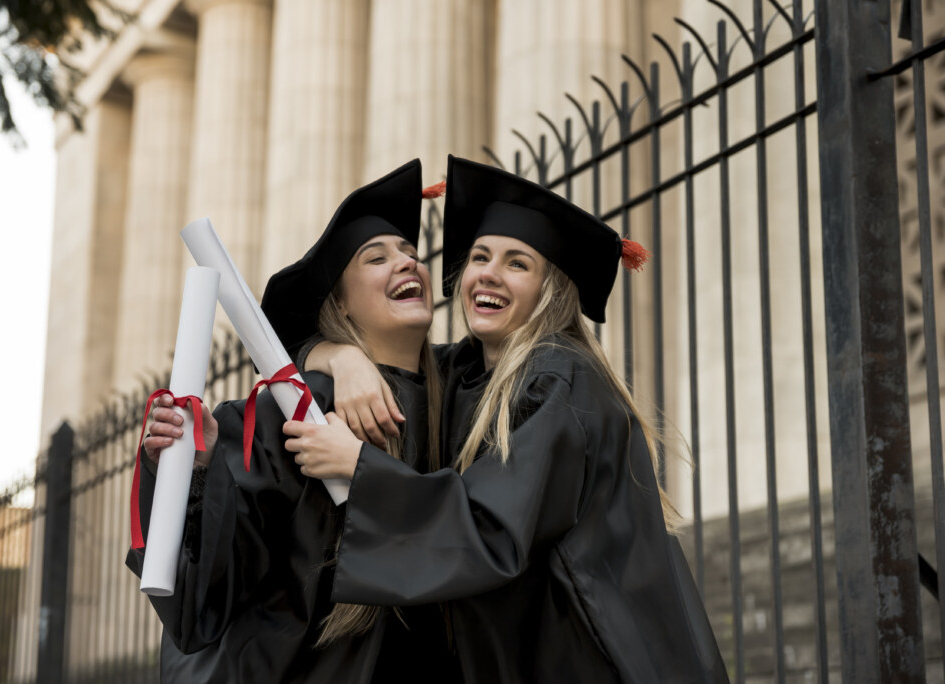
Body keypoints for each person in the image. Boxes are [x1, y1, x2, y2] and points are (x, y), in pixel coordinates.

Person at [285, 155, 728, 682]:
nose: (488, 274)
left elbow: (490, 530)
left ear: (550, 291)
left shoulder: (559, 379)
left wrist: (359, 467)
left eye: (518, 263)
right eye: (479, 257)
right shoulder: (466, 375)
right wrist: (341, 358)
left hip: (592, 660)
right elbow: (317, 339)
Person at [125, 159, 459, 682]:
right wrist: (198, 469)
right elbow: (205, 597)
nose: (407, 263)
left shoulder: (461, 395)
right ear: (341, 307)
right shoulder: (300, 413)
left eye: (412, 254)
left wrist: (331, 353)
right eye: (377, 257)